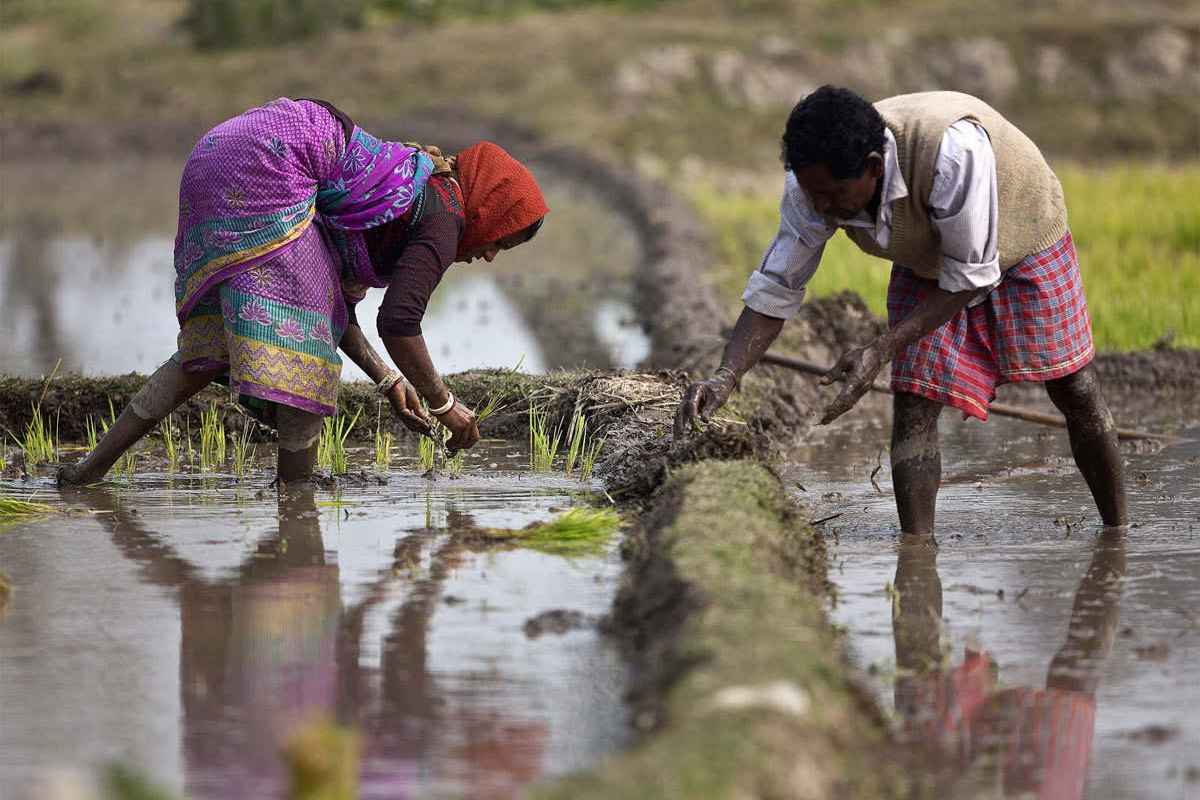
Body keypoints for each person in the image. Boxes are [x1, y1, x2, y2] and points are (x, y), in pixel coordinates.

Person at [676, 87, 1126, 534]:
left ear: (873, 168)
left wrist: (880, 348)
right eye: (814, 194)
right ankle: (917, 551)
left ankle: (1117, 533)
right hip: (927, 260)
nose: (821, 208)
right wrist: (727, 375)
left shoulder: (952, 153)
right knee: (915, 397)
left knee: (1073, 385)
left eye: (831, 195)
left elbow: (971, 274)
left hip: (1023, 231)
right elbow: (778, 284)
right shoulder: (811, 188)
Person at [59, 97, 548, 486]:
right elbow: (399, 322)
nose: (487, 256)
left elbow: (327, 303)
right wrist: (443, 404)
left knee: (207, 351)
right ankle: (295, 506)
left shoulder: (409, 187)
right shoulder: (444, 216)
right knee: (306, 365)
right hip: (270, 164)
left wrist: (387, 380)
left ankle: (87, 473)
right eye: (498, 241)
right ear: (486, 210)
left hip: (218, 153)